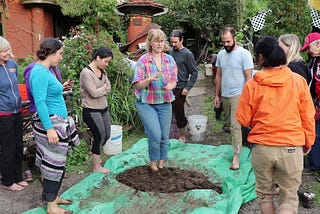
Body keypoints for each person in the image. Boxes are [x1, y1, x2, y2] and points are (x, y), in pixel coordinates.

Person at [236, 35, 315, 214]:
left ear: (261, 57)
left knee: (265, 195)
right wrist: (308, 141)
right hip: (291, 147)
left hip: (262, 148)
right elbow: (308, 116)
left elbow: (243, 119)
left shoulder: (252, 85)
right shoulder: (298, 81)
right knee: (289, 197)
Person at [30, 38, 79, 214]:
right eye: (60, 53)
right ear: (51, 53)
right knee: (53, 165)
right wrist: (50, 128)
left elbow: (50, 93)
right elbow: (41, 102)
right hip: (50, 125)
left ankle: (53, 197)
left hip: (58, 123)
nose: (61, 57)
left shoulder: (47, 70)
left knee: (59, 164)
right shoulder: (40, 72)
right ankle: (51, 206)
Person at [132, 29, 178, 171]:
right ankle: (153, 162)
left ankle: (161, 162)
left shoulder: (169, 60)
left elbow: (174, 80)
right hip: (146, 103)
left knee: (164, 136)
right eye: (156, 41)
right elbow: (138, 85)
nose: (159, 44)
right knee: (155, 135)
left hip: (164, 102)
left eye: (162, 41)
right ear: (150, 42)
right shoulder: (143, 60)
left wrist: (171, 85)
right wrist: (149, 79)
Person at [23, 62, 73, 182]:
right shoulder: (35, 70)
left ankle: (57, 172)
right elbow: (35, 94)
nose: (61, 57)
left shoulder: (53, 68)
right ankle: (45, 176)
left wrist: (61, 87)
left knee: (56, 147)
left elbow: (52, 87)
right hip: (42, 113)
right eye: (59, 53)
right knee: (47, 148)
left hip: (55, 114)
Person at [213, 26, 253, 170]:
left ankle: (236, 156)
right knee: (230, 125)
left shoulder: (244, 54)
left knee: (235, 126)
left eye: (228, 42)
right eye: (223, 42)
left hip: (239, 95)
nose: (226, 45)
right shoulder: (221, 55)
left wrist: (246, 97)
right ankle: (237, 147)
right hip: (225, 94)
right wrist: (216, 94)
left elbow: (249, 77)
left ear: (235, 38)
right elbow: (218, 75)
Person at [0, 36, 28, 191]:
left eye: (8, 49)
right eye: (4, 51)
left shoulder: (12, 64)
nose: (8, 53)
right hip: (3, 115)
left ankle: (18, 177)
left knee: (18, 146)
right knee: (8, 148)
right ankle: (8, 181)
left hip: (17, 111)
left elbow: (15, 85)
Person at [80, 46, 113, 174]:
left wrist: (103, 89)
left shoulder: (103, 72)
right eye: (106, 61)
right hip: (91, 110)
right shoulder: (86, 73)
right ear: (98, 58)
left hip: (103, 108)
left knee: (107, 134)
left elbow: (108, 88)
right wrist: (102, 89)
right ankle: (96, 166)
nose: (107, 64)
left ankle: (96, 154)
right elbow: (93, 93)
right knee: (99, 135)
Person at [169, 29, 198, 142]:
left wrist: (187, 88)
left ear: (182, 40)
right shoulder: (170, 52)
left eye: (176, 42)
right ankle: (169, 133)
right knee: (168, 111)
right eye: (172, 42)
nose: (173, 44)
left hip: (181, 87)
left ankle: (182, 135)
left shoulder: (187, 54)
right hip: (169, 86)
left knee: (179, 112)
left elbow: (195, 73)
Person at [300, 32, 320, 177]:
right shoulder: (315, 61)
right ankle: (314, 163)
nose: (308, 51)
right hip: (316, 103)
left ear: (318, 44)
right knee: (316, 133)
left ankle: (315, 164)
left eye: (309, 47)